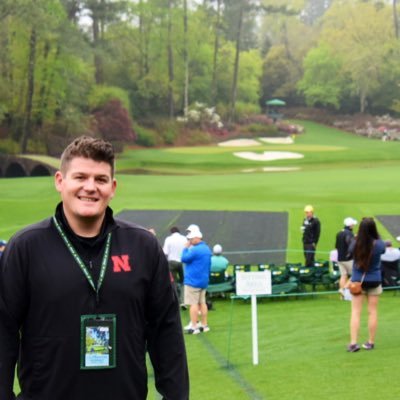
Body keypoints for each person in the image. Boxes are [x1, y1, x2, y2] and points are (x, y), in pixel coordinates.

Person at [0, 136, 189, 400]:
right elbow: (4, 332)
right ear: (59, 181)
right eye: (80, 177)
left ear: (112, 187)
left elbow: (166, 331)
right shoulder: (26, 247)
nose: (90, 187)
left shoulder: (142, 246)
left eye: (100, 179)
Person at [347, 217, 385, 352]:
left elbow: (350, 253)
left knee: (356, 312)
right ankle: (370, 342)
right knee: (372, 312)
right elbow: (382, 251)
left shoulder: (355, 242)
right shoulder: (379, 243)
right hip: (374, 279)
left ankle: (353, 343)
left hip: (358, 280)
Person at [181, 225, 212, 335]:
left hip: (193, 281)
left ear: (197, 237)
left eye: (191, 239)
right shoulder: (206, 248)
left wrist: (185, 248)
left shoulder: (194, 250)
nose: (190, 241)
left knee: (193, 304)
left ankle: (194, 326)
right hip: (203, 280)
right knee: (202, 303)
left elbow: (184, 258)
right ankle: (204, 324)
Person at [163, 226, 187, 304]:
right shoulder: (184, 238)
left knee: (173, 282)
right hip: (182, 262)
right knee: (184, 280)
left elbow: (165, 252)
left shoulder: (168, 239)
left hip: (172, 262)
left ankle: (176, 299)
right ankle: (183, 300)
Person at [335, 217, 357, 298]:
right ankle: (343, 289)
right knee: (355, 274)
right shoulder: (349, 234)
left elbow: (336, 246)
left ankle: (342, 296)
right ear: (350, 225)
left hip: (340, 258)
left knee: (343, 275)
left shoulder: (339, 233)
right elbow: (351, 246)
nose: (353, 226)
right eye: (353, 224)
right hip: (348, 259)